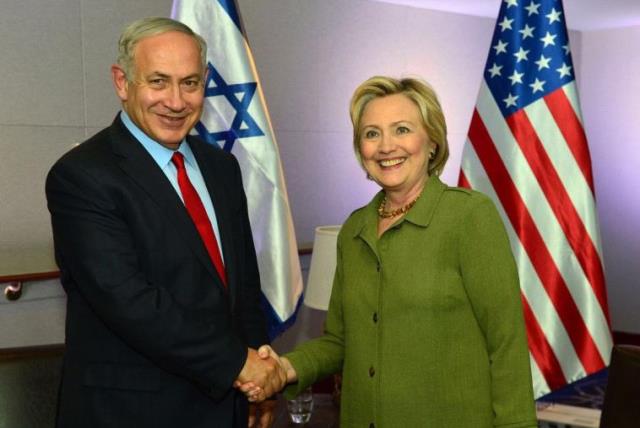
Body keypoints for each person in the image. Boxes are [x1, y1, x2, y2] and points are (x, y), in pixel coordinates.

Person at [241, 76, 537, 427]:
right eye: (371, 134)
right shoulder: (354, 231)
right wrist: (284, 368)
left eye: (401, 129)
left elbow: (507, 348)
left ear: (432, 141)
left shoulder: (470, 217)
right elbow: (339, 341)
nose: (386, 146)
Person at [46, 17, 284, 428]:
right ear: (123, 82)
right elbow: (130, 301)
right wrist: (239, 366)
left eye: (190, 83)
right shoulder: (82, 176)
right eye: (158, 82)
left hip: (225, 405)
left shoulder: (221, 167)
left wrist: (260, 374)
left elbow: (242, 286)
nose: (176, 101)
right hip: (129, 413)